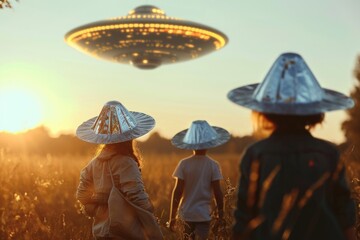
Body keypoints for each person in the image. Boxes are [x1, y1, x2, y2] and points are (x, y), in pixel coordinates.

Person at [227, 52, 356, 240]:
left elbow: (244, 217)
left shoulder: (256, 154)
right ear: (314, 112)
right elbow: (344, 215)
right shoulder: (328, 153)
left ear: (265, 112)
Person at [75, 100, 163, 240]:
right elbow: (135, 195)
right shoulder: (126, 162)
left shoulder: (93, 163)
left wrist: (98, 207)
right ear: (129, 136)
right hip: (124, 230)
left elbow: (81, 195)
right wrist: (150, 214)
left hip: (100, 230)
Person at [168, 120, 231, 240]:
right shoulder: (213, 165)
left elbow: (178, 191)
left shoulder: (184, 164)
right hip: (203, 215)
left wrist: (172, 217)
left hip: (186, 215)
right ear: (209, 143)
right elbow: (218, 192)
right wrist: (221, 214)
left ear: (190, 142)